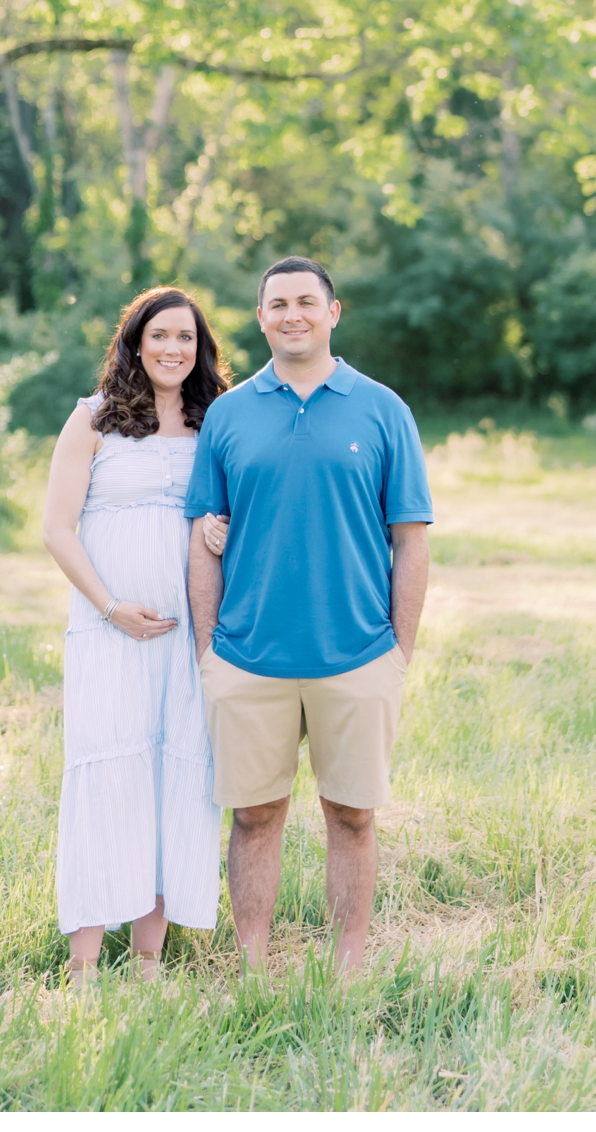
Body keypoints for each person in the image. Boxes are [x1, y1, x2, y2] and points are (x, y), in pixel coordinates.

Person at [185, 256, 432, 975]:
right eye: (276, 303)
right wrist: (209, 651)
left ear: (333, 312)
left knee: (352, 816)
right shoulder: (229, 415)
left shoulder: (384, 410)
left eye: (305, 301)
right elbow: (204, 538)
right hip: (247, 657)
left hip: (357, 655)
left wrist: (397, 655)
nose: (292, 314)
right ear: (260, 318)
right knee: (255, 816)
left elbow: (411, 543)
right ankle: (254, 966)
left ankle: (346, 963)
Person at [42, 286, 232, 989]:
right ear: (134, 342)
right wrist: (109, 605)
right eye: (159, 336)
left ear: (201, 348)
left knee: (172, 775)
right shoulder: (92, 419)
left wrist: (219, 530)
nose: (172, 350)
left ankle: (149, 958)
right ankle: (84, 963)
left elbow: (233, 512)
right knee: (107, 774)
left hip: (187, 636)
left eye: (185, 338)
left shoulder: (218, 422)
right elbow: (58, 528)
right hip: (109, 632)